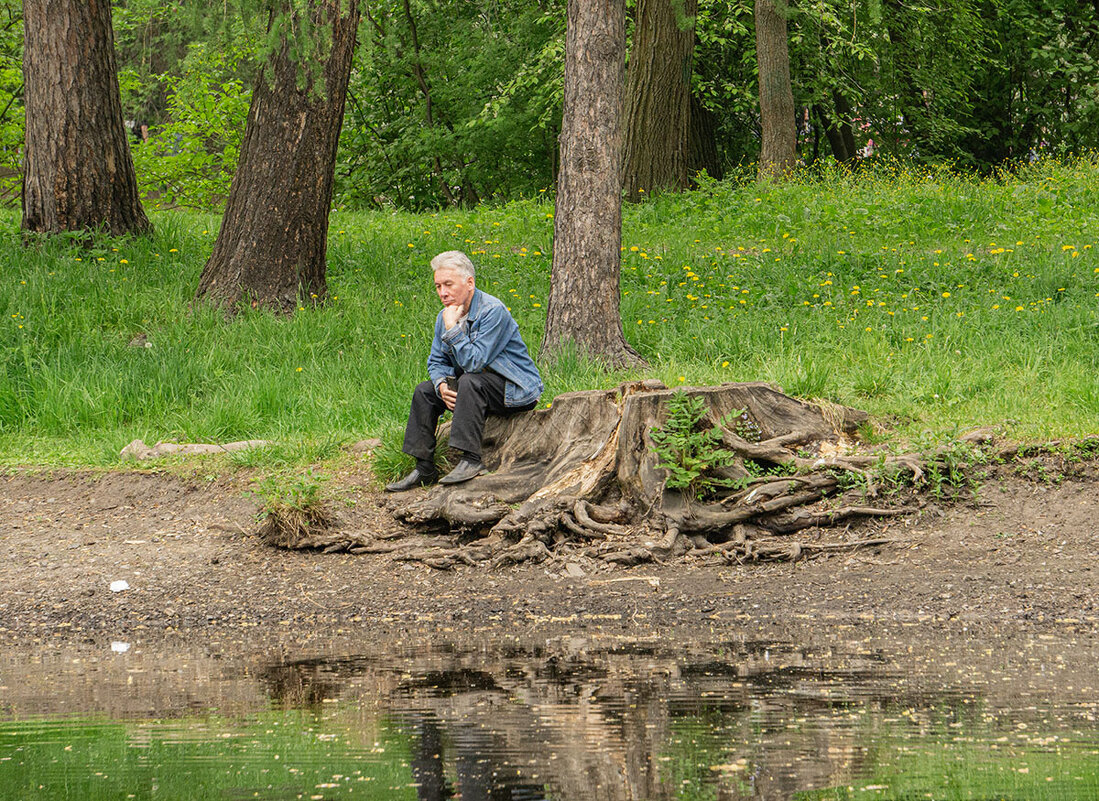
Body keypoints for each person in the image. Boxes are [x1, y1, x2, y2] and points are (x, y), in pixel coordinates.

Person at [386, 251, 543, 491]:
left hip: (515, 390)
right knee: (425, 391)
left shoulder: (492, 311)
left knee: (470, 380)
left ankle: (471, 460)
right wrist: (441, 385)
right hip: (477, 387)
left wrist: (452, 329)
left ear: (469, 283)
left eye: (448, 284)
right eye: (438, 286)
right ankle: (424, 468)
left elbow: (475, 362)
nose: (442, 293)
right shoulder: (445, 315)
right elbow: (436, 360)